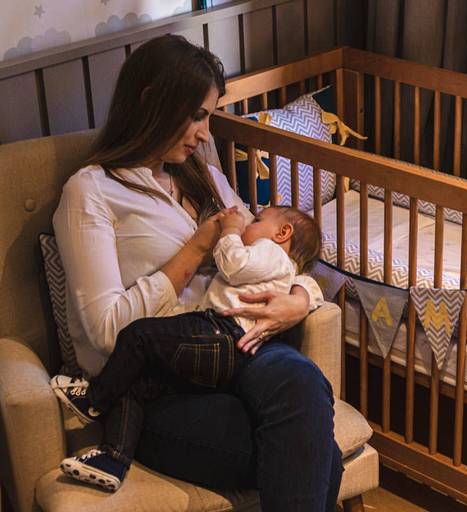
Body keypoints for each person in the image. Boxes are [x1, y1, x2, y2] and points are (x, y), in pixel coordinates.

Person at [51, 34, 341, 511]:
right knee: (318, 454)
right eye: (199, 116)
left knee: (304, 385)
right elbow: (104, 335)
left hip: (243, 345)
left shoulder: (201, 173)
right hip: (162, 383)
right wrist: (197, 246)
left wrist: (301, 296)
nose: (206, 133)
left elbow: (270, 250)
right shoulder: (92, 192)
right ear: (152, 101)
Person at [51, 206, 322, 492]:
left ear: (282, 233)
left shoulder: (269, 250)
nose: (246, 224)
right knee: (137, 381)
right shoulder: (274, 257)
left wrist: (230, 231)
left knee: (140, 334)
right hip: (220, 340)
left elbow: (234, 264)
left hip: (222, 334)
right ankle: (112, 460)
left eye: (257, 220)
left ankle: (94, 398)